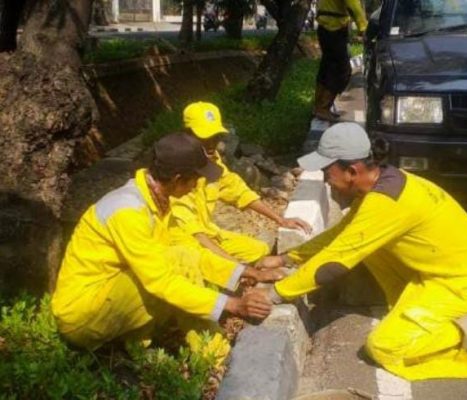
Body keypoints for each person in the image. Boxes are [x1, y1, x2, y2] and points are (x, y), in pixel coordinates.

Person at [253, 123, 467, 381]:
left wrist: (276, 294)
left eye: (327, 171)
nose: (326, 180)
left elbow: (334, 263)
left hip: (465, 286)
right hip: (444, 276)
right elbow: (343, 235)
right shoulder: (384, 182)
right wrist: (286, 258)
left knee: (384, 347)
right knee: (365, 244)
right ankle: (417, 314)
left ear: (352, 171)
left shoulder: (385, 202)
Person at [51, 132, 280, 354]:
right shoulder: (127, 211)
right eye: (196, 179)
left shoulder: (157, 200)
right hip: (82, 317)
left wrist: (245, 273)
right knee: (176, 262)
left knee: (183, 254)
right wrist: (233, 305)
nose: (198, 185)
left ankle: (137, 344)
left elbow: (192, 250)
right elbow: (161, 281)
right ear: (178, 179)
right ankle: (216, 355)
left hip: (110, 297)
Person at [170, 102, 311, 266]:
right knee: (204, 265)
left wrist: (280, 220)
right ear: (187, 135)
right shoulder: (179, 173)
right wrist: (239, 271)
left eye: (215, 137)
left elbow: (239, 192)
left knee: (258, 250)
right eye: (204, 138)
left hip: (208, 232)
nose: (211, 143)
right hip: (184, 242)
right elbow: (194, 234)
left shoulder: (213, 160)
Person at [313, 0, 367, 121]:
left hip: (325, 28)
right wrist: (363, 27)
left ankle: (317, 106)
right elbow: (353, 5)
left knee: (326, 68)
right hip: (334, 29)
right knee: (342, 71)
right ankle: (323, 107)